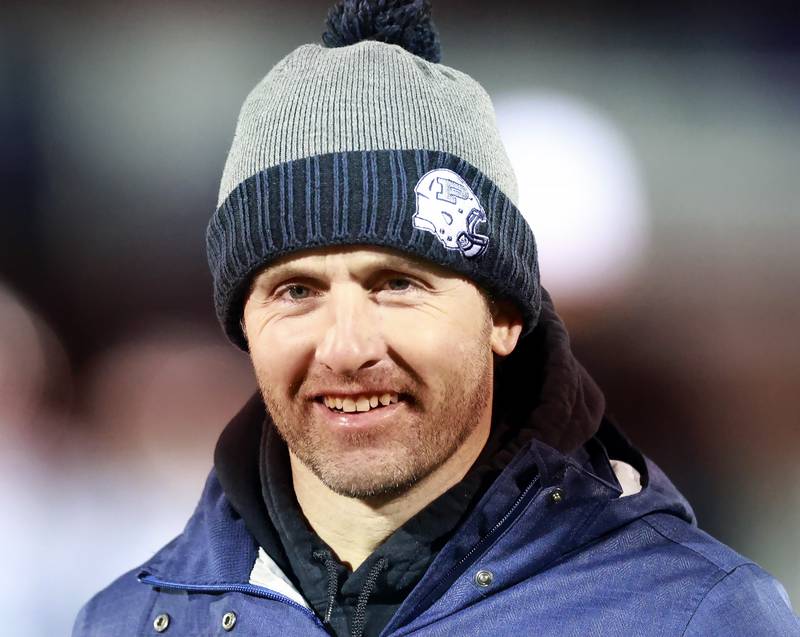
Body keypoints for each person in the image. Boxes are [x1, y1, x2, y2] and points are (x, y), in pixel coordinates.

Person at [73, 1, 799, 635]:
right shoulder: (128, 621)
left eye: (397, 284)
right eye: (296, 291)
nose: (346, 347)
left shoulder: (693, 615)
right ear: (244, 323)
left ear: (504, 317)